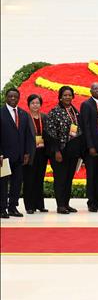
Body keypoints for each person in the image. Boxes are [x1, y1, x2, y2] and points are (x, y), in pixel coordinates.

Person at [46, 86, 84, 214]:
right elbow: (51, 134)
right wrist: (56, 151)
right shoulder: (55, 112)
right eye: (65, 95)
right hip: (60, 152)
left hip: (73, 151)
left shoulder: (74, 111)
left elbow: (78, 130)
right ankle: (60, 205)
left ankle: (66, 204)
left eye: (69, 95)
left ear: (73, 96)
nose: (67, 97)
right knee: (60, 179)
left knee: (68, 179)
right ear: (60, 97)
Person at [0, 88, 34, 218]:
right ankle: (2, 208)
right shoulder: (1, 112)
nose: (13, 98)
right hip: (4, 157)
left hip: (20, 156)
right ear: (6, 97)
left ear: (19, 98)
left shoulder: (23, 114)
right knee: (3, 184)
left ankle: (13, 207)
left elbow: (28, 135)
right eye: (10, 96)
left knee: (17, 183)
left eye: (15, 96)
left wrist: (27, 153)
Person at [80, 82, 98, 212]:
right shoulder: (86, 105)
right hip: (91, 148)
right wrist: (90, 146)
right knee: (91, 176)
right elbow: (85, 127)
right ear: (90, 91)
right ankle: (91, 202)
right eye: (95, 88)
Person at [22, 94, 49, 214]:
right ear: (28, 104)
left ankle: (40, 205)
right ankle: (29, 206)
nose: (35, 105)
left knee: (39, 179)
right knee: (29, 179)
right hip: (30, 153)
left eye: (37, 103)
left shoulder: (44, 117)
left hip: (42, 152)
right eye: (32, 103)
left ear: (40, 104)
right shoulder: (25, 117)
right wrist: (25, 152)